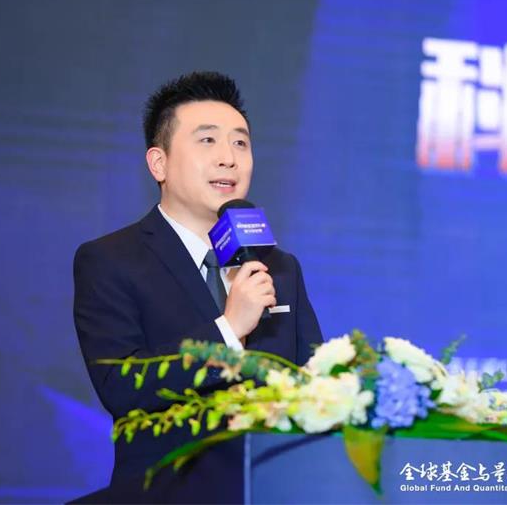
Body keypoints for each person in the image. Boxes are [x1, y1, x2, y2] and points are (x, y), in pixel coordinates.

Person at [72, 71, 323, 501]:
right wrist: (228, 330)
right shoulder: (111, 260)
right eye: (207, 140)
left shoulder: (280, 267)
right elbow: (121, 387)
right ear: (159, 163)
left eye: (240, 143)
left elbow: (316, 385)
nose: (229, 158)